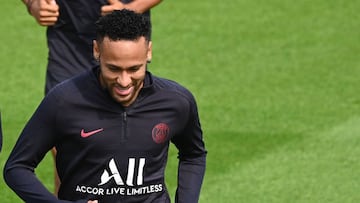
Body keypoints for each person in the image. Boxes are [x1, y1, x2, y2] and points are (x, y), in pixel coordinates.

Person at [4, 9, 207, 203]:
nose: (124, 81)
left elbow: (193, 154)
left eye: (134, 69)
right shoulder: (64, 100)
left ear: (149, 52)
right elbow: (17, 167)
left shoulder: (176, 101)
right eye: (113, 69)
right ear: (96, 51)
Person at [21, 0, 163, 194]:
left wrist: (134, 8)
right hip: (68, 39)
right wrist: (33, 3)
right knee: (65, 144)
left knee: (118, 141)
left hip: (122, 40)